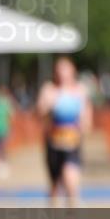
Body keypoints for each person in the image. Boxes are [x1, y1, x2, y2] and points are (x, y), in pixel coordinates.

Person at [36, 57, 92, 207]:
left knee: (71, 181)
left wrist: (83, 126)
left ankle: (72, 217)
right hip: (53, 144)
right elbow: (39, 113)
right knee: (54, 187)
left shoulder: (80, 90)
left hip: (72, 144)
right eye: (59, 69)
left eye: (65, 68)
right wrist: (48, 106)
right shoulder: (49, 89)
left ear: (72, 70)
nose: (62, 72)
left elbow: (87, 116)